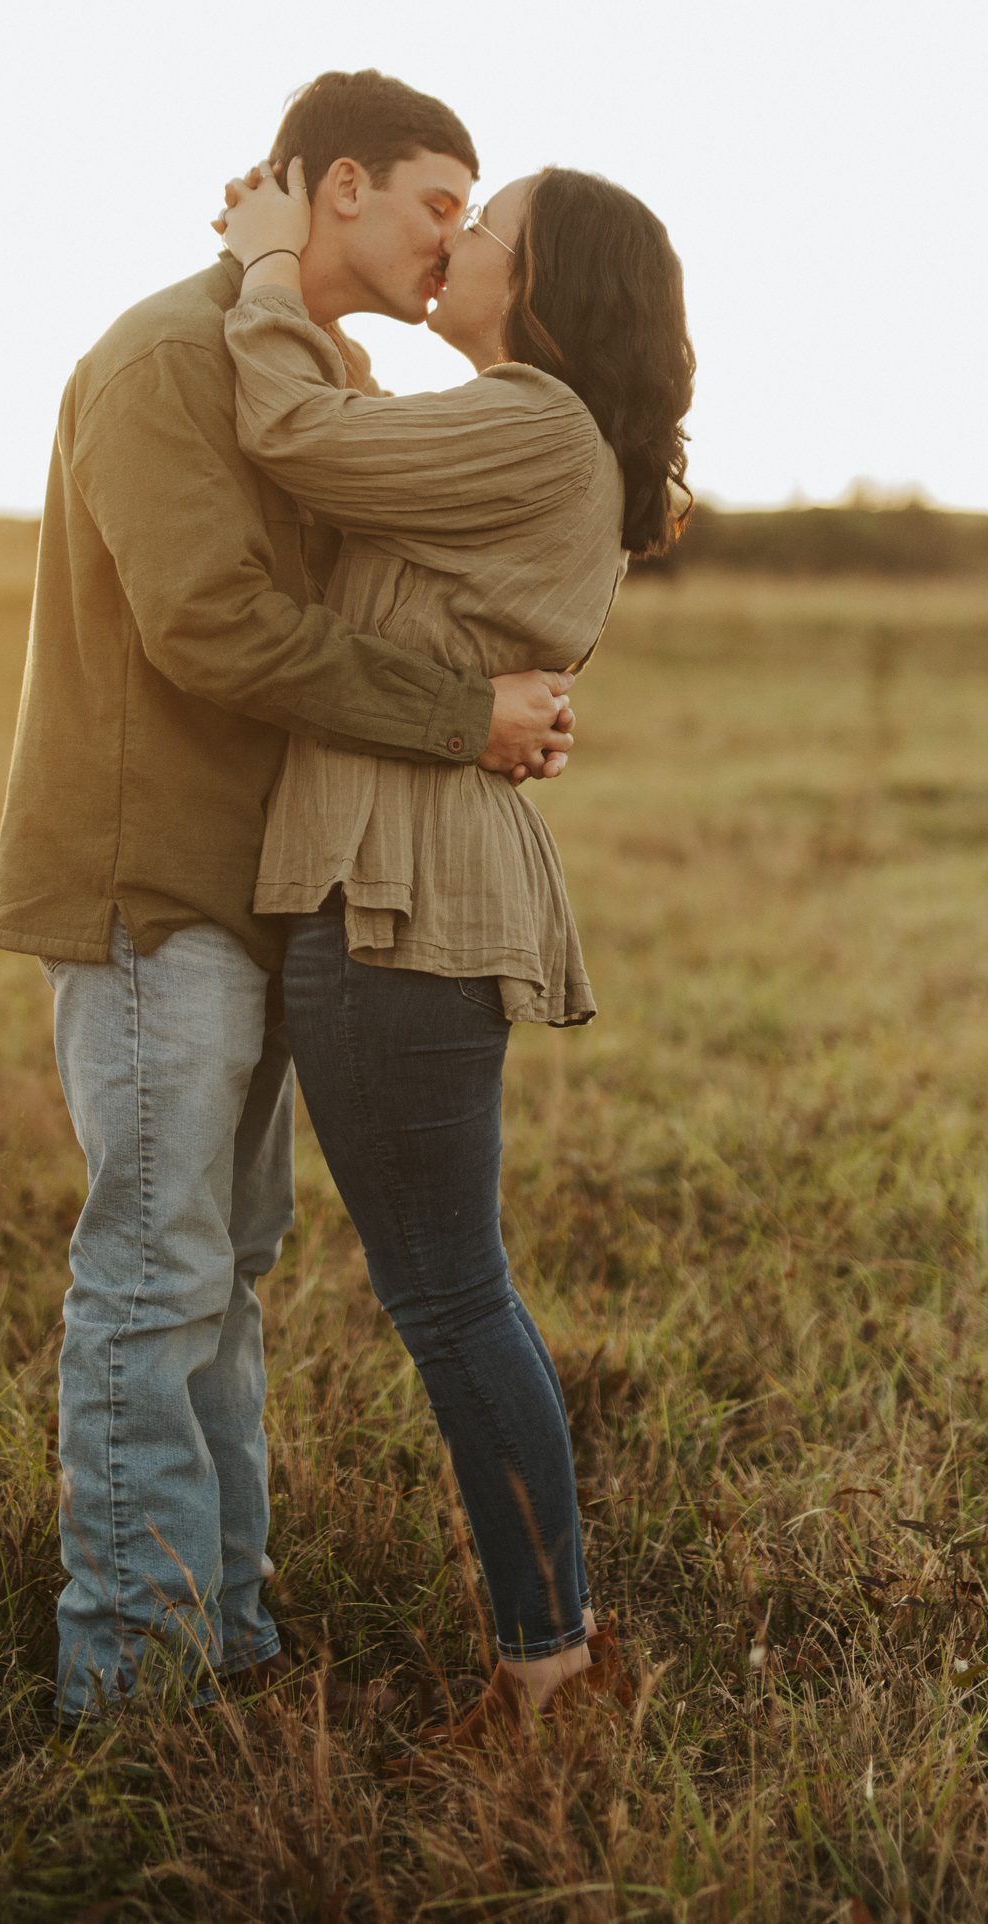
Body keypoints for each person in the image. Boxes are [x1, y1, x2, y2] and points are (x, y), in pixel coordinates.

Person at [0, 70, 581, 1722]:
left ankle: (223, 1637)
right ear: (334, 189)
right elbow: (217, 627)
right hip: (154, 880)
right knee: (159, 1274)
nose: (450, 244)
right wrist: (463, 716)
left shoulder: (315, 368)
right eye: (435, 207)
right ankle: (133, 1678)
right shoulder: (173, 357)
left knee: (224, 1268)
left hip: (259, 890)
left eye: (470, 219)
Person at [216, 151, 694, 1750]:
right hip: (400, 879)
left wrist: (272, 262)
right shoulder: (512, 430)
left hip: (400, 895)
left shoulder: (531, 420)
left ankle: (552, 1675)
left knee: (448, 1297)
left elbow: (294, 438)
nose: (452, 243)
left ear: (547, 288)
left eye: (483, 231)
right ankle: (553, 1655)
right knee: (454, 1290)